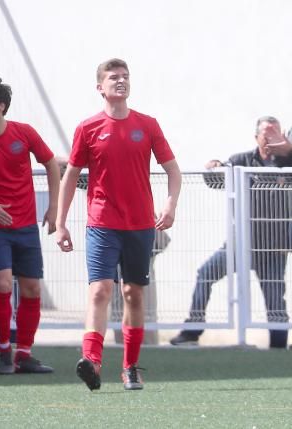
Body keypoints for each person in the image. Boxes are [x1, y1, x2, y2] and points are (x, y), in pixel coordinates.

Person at [55, 58, 181, 391]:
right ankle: (92, 361)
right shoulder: (88, 127)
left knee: (133, 294)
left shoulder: (148, 124)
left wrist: (169, 204)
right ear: (100, 87)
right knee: (100, 290)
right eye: (114, 77)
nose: (121, 81)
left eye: (125, 76)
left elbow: (173, 170)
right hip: (101, 223)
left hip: (140, 225)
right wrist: (61, 222)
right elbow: (71, 176)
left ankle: (130, 367)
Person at [0, 75, 60, 375]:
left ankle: (24, 355)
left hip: (26, 226)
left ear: (1, 106)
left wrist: (54, 208)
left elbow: (51, 164)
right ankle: (4, 350)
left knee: (31, 289)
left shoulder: (24, 132)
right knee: (3, 284)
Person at [171, 116, 291, 349]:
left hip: (274, 246)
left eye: (277, 133)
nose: (271, 138)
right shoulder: (241, 160)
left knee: (276, 301)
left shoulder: (287, 162)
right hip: (241, 242)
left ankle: (278, 350)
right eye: (267, 133)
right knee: (206, 273)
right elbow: (216, 180)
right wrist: (213, 167)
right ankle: (191, 331)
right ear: (256, 136)